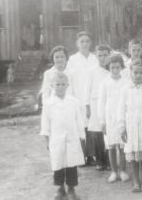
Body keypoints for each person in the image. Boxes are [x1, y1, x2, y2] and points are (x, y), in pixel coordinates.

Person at [40, 72, 85, 200]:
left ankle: (71, 188)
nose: (60, 87)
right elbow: (45, 123)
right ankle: (60, 188)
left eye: (63, 84)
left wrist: (82, 136)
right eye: (57, 84)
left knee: (71, 163)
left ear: (67, 85)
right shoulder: (48, 104)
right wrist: (47, 139)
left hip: (72, 138)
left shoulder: (73, 102)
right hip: (56, 139)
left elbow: (79, 121)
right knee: (57, 163)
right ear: (52, 86)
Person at [118, 59, 142, 193]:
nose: (138, 75)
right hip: (131, 127)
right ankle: (136, 181)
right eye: (136, 72)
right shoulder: (125, 90)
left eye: (141, 72)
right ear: (130, 73)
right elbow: (121, 110)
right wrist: (122, 127)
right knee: (133, 155)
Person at [66, 31, 98, 166]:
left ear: (90, 43)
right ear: (77, 44)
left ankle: (91, 156)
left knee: (91, 127)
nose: (84, 44)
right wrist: (71, 98)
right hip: (78, 97)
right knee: (80, 127)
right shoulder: (73, 59)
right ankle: (82, 156)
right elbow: (69, 80)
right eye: (82, 42)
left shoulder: (94, 58)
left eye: (87, 41)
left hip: (91, 98)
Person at [98, 54, 130, 183]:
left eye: (117, 67)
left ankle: (122, 170)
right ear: (109, 68)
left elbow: (128, 100)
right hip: (109, 117)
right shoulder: (104, 82)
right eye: (112, 67)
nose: (115, 70)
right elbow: (101, 103)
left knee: (122, 146)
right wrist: (102, 121)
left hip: (122, 117)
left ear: (121, 67)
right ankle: (113, 171)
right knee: (111, 146)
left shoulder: (126, 81)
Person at [86, 44, 111, 169]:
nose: (103, 58)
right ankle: (100, 160)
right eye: (100, 55)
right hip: (95, 103)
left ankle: (109, 159)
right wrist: (87, 106)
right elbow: (87, 90)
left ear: (109, 55)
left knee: (108, 130)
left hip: (109, 103)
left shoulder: (113, 70)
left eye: (105, 55)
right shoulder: (92, 71)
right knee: (97, 132)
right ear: (96, 56)